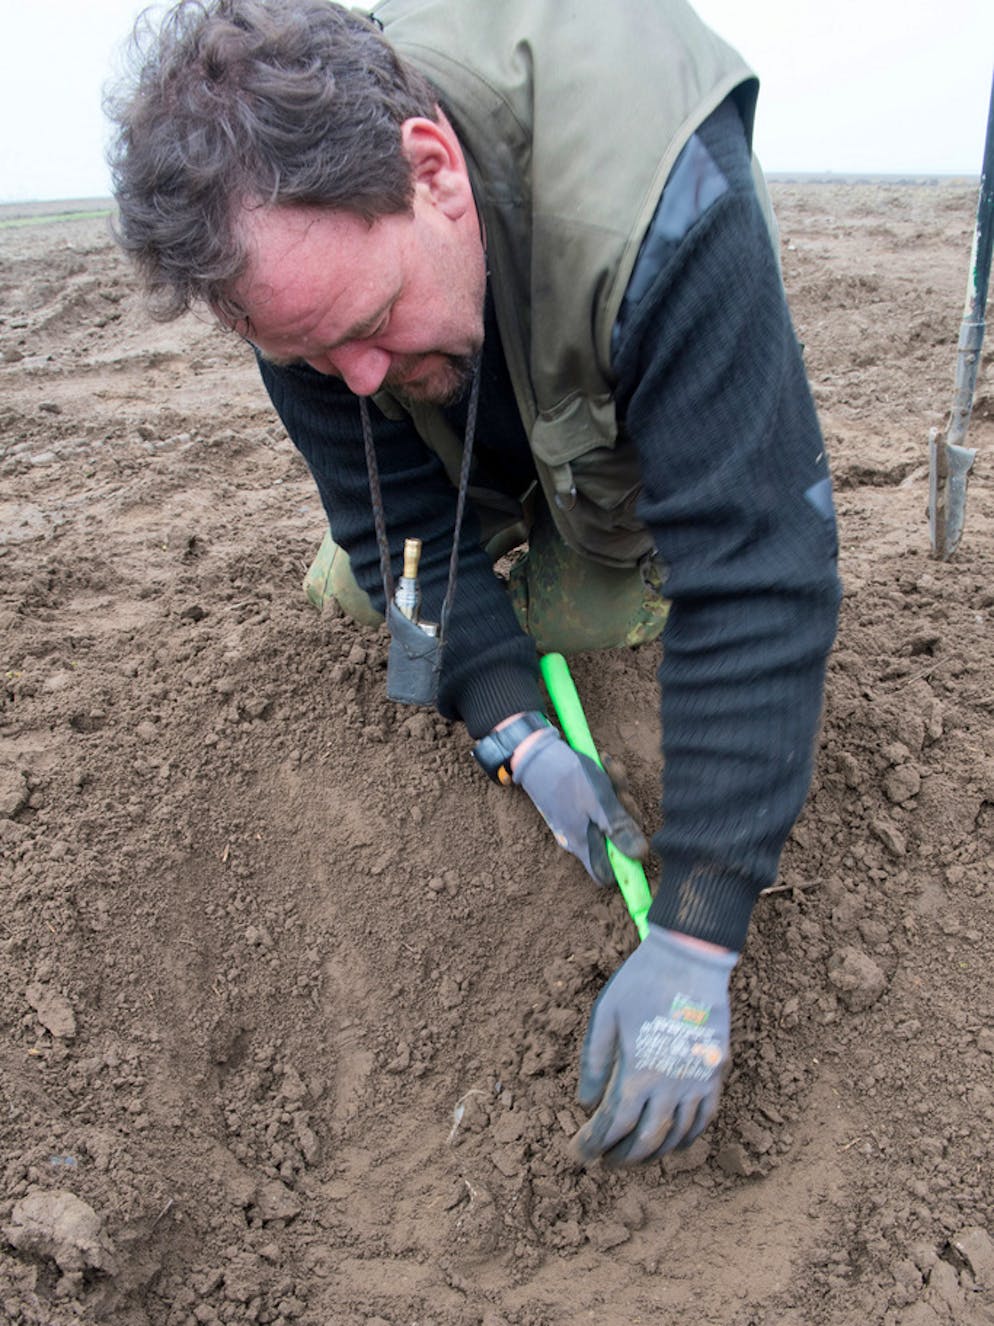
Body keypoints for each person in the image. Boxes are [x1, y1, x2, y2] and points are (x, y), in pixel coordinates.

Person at [106, 0, 841, 1168]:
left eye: (370, 324)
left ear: (433, 171)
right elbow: (389, 531)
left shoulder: (659, 190)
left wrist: (698, 941)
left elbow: (759, 567)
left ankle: (580, 546)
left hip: (622, 436)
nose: (352, 377)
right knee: (356, 590)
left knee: (597, 607)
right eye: (311, 357)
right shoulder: (289, 283)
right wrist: (509, 721)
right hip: (485, 448)